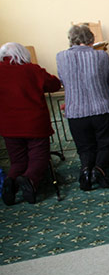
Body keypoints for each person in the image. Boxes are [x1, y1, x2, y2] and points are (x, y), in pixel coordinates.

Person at [57, 25, 109, 190]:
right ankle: (99, 170)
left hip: (75, 111)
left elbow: (63, 81)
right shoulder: (101, 56)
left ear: (71, 40)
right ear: (91, 39)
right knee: (107, 144)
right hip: (102, 109)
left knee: (85, 147)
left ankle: (86, 170)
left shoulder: (61, 57)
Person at [0, 43, 61, 204]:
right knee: (39, 157)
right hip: (34, 123)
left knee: (18, 160)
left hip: (8, 125)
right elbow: (54, 85)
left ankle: (10, 181)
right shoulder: (32, 70)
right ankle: (29, 180)